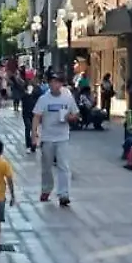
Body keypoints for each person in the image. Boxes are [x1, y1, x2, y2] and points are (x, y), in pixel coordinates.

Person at [32, 72, 79, 207]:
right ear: (49, 83)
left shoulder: (68, 97)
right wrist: (34, 135)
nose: (55, 85)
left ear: (61, 83)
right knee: (46, 166)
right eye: (52, 82)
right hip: (47, 137)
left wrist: (70, 118)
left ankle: (64, 194)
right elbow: (36, 117)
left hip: (63, 136)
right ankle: (46, 189)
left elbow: (75, 113)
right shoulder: (44, 99)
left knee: (63, 166)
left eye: (58, 82)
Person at [20, 79, 43, 152]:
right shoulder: (23, 90)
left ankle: (33, 144)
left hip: (34, 112)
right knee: (28, 127)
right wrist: (26, 93)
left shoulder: (37, 89)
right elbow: (21, 96)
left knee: (34, 128)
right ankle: (28, 145)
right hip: (26, 112)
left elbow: (40, 96)